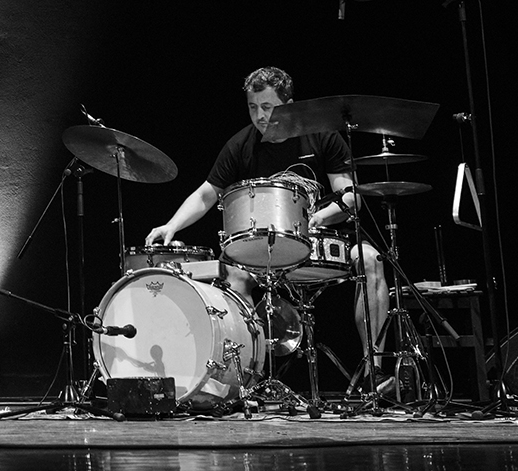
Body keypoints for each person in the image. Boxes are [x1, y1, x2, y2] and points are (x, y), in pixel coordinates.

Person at [144, 66, 389, 386]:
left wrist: (319, 217)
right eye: (252, 107)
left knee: (372, 261)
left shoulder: (322, 135)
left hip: (325, 236)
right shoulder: (241, 145)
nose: (260, 116)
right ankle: (245, 378)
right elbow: (207, 195)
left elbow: (351, 196)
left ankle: (376, 372)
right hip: (269, 246)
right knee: (233, 272)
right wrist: (172, 225)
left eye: (268, 107)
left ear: (288, 104)